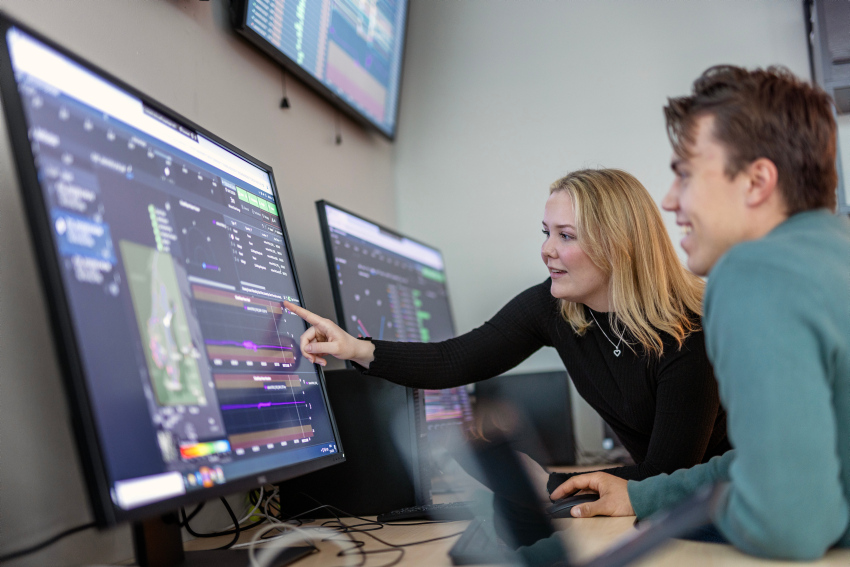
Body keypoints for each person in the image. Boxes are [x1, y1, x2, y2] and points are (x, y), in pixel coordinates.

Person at [551, 65, 850, 560]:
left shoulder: (753, 272)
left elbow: (789, 524)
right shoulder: (831, 254)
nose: (670, 200)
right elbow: (767, 459)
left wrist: (688, 515)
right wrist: (645, 496)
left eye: (685, 175)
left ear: (756, 181)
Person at [284, 168, 731, 492]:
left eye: (566, 236)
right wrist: (355, 348)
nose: (547, 250)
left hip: (728, 505)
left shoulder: (688, 333)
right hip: (670, 501)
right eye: (546, 232)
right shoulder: (557, 308)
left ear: (618, 246)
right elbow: (454, 360)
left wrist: (546, 482)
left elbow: (669, 478)